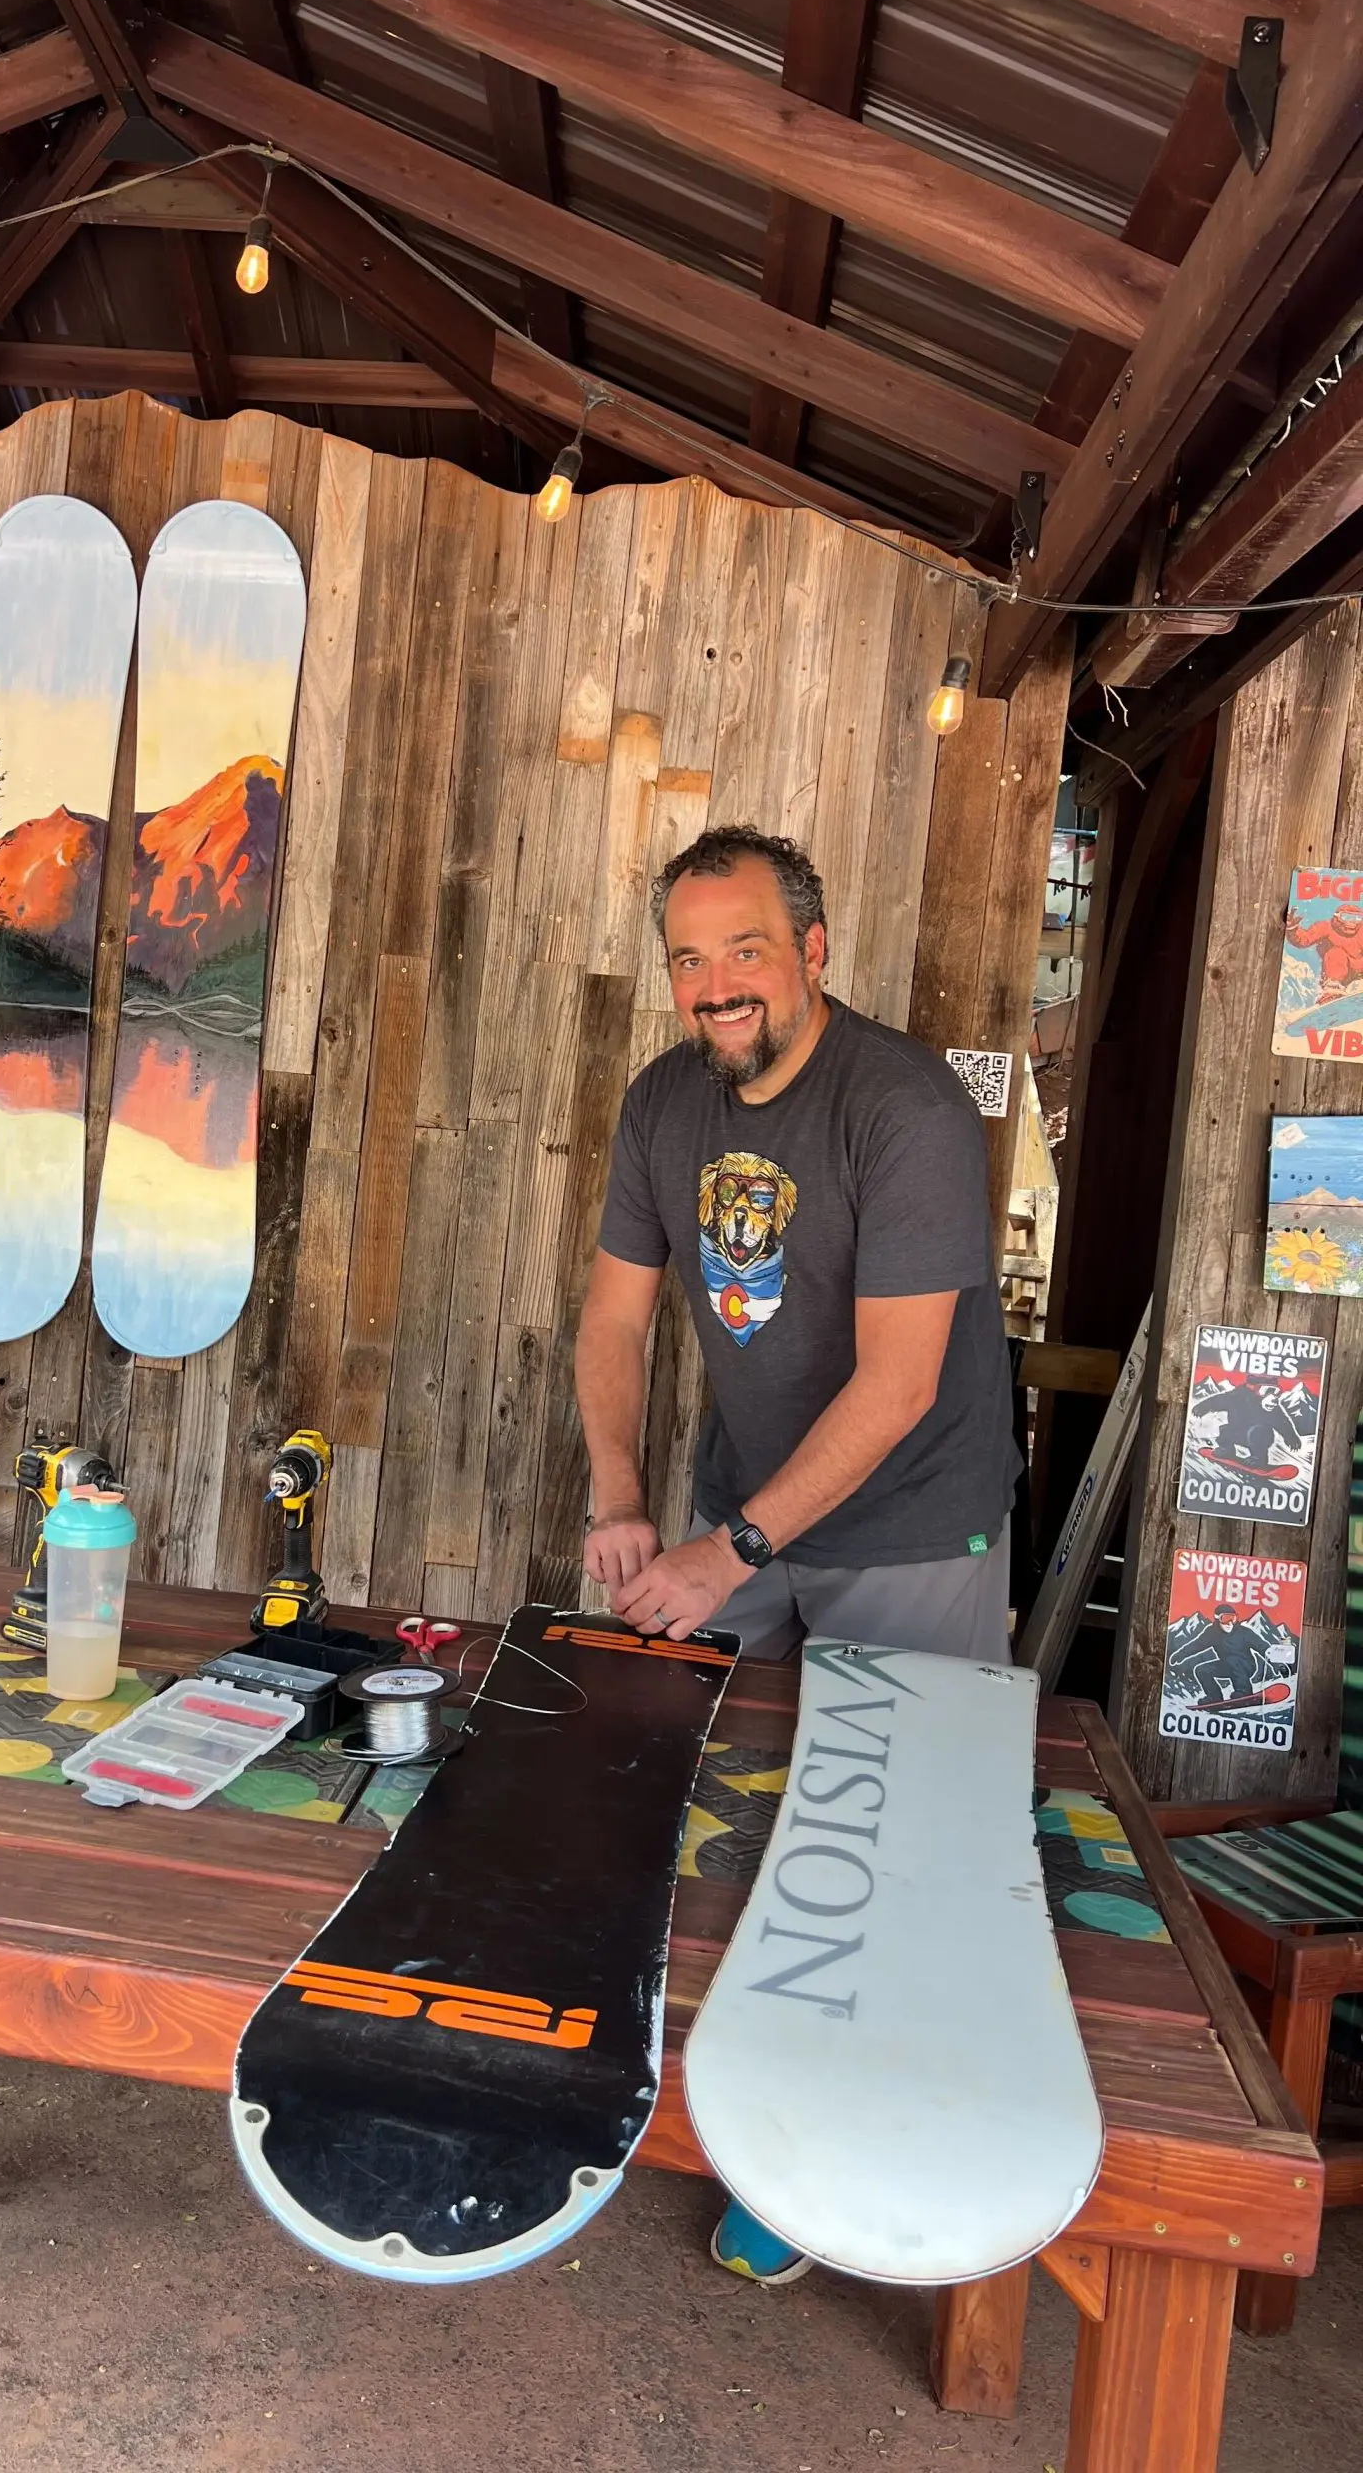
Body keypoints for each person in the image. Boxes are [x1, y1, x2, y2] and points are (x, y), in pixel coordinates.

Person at [574, 823, 1020, 2286]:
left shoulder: (905, 1109)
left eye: (746, 950)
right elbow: (615, 1320)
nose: (716, 986)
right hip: (741, 1507)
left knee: (898, 1849)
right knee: (685, 1793)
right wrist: (621, 1496)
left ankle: (845, 2169)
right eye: (689, 959)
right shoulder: (663, 1103)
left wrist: (731, 1552)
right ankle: (704, 2098)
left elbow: (898, 1388)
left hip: (910, 1522)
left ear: (813, 951)